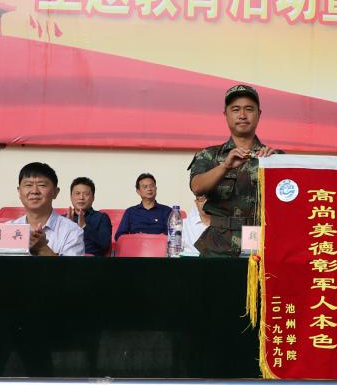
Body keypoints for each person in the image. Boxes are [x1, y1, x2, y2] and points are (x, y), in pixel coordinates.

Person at [189, 85, 278, 257]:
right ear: (226, 114)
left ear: (259, 114)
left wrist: (276, 165)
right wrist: (225, 166)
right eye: (235, 109)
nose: (242, 115)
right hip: (218, 246)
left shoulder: (275, 157)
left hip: (264, 244)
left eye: (249, 109)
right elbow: (197, 187)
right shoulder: (209, 155)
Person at [9, 162, 84, 256]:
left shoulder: (72, 231)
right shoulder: (7, 230)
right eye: (28, 185)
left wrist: (43, 249)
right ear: (19, 191)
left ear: (55, 192)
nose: (34, 191)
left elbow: (73, 266)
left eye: (42, 185)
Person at [115, 173, 172, 239]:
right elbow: (119, 236)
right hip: (136, 244)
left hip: (159, 244)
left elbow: (173, 234)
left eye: (152, 186)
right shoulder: (130, 212)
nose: (149, 189)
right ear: (138, 191)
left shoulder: (167, 211)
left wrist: (159, 238)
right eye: (145, 187)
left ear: (156, 188)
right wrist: (134, 237)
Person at [67, 177, 112, 256]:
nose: (81, 198)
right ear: (71, 197)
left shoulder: (101, 218)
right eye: (77, 193)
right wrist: (66, 227)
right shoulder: (64, 219)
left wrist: (84, 226)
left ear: (93, 198)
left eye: (86, 194)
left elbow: (105, 244)